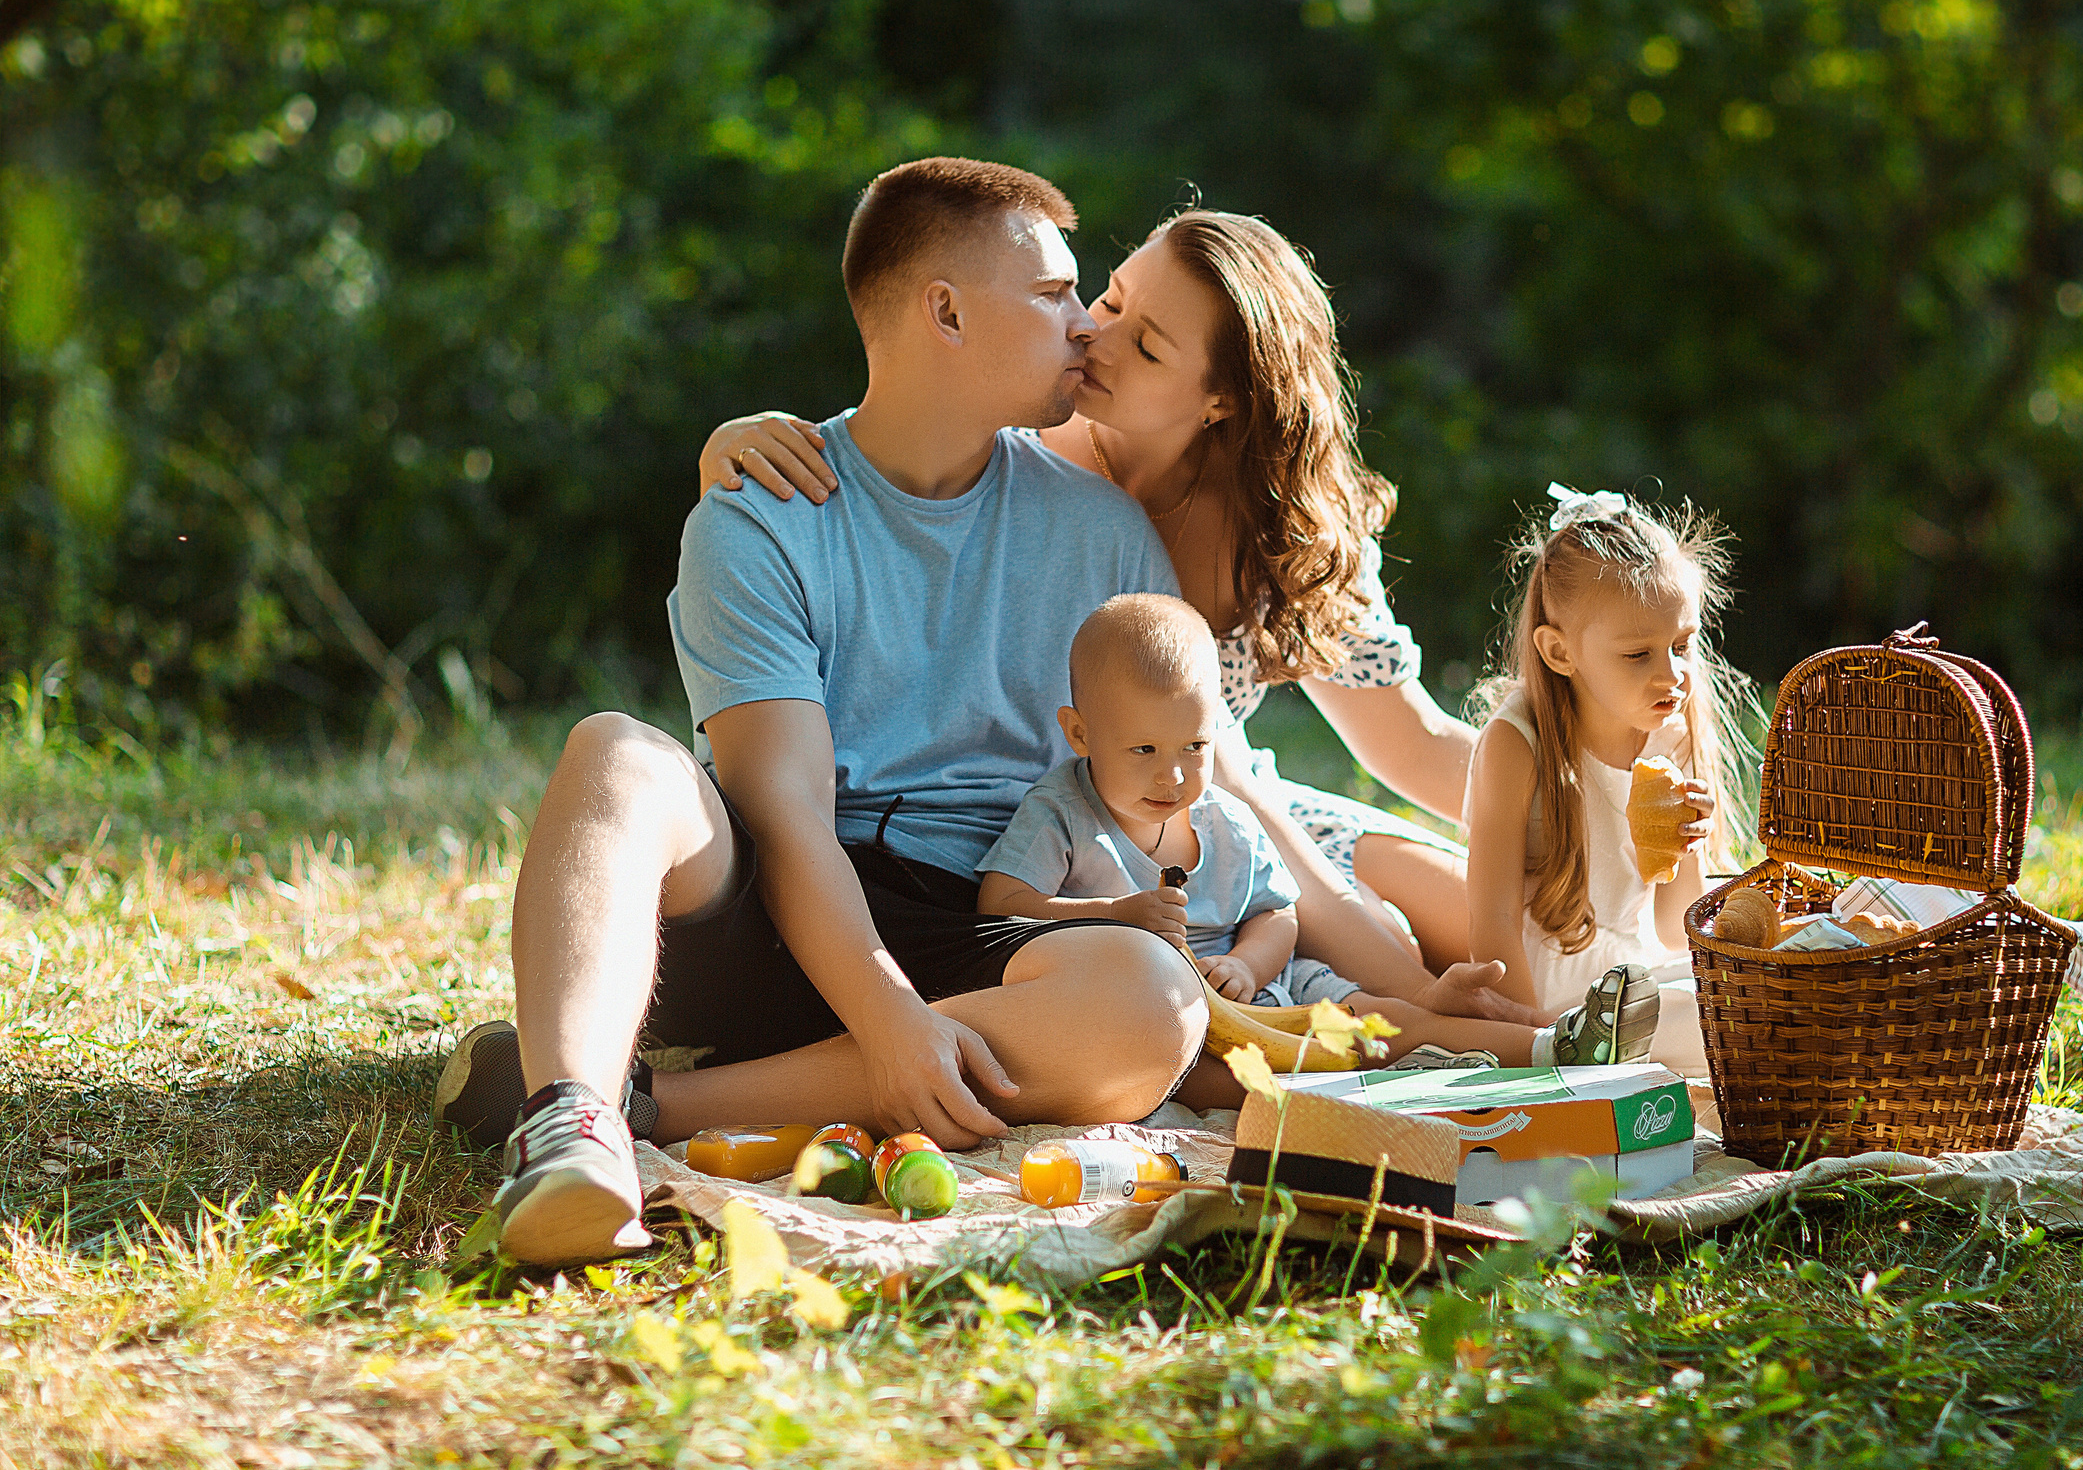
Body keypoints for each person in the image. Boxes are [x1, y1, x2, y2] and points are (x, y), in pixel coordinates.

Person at [434, 157, 1213, 1269]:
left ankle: (644, 1101)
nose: (1084, 324)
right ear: (942, 309)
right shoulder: (764, 511)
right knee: (615, 752)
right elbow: (784, 806)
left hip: (978, 929)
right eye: (1050, 294)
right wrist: (889, 1019)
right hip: (780, 904)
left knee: (1150, 1006)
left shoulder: (1106, 538)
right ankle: (569, 1130)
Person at [697, 210, 1496, 1001]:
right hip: (1089, 825)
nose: (1091, 335)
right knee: (1390, 951)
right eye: (1108, 299)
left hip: (1222, 804)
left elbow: (1407, 740)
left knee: (1490, 925)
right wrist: (731, 447)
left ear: (1222, 399)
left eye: (1144, 343)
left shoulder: (1276, 522)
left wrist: (1565, 804)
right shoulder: (1022, 437)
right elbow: (901, 444)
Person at [978, 594, 1663, 1102]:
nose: (1175, 775)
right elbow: (998, 903)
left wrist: (1249, 962)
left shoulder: (1224, 818)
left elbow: (1278, 913)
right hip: (1156, 1005)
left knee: (1370, 1012)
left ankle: (1555, 1045)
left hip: (1264, 987)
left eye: (1195, 745)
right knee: (1198, 1074)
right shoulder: (1062, 814)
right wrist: (1115, 913)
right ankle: (1374, 1084)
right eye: (1144, 751)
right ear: (1079, 732)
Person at [1461, 485, 1757, 1077]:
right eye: (1637, 655)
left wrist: (1687, 846)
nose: (1671, 674)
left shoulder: (1672, 732)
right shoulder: (1518, 745)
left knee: (1744, 994)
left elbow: (1676, 928)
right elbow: (1490, 927)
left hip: (1636, 972)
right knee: (1719, 1024)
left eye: (1681, 645)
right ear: (1559, 651)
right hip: (1551, 998)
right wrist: (1534, 1048)